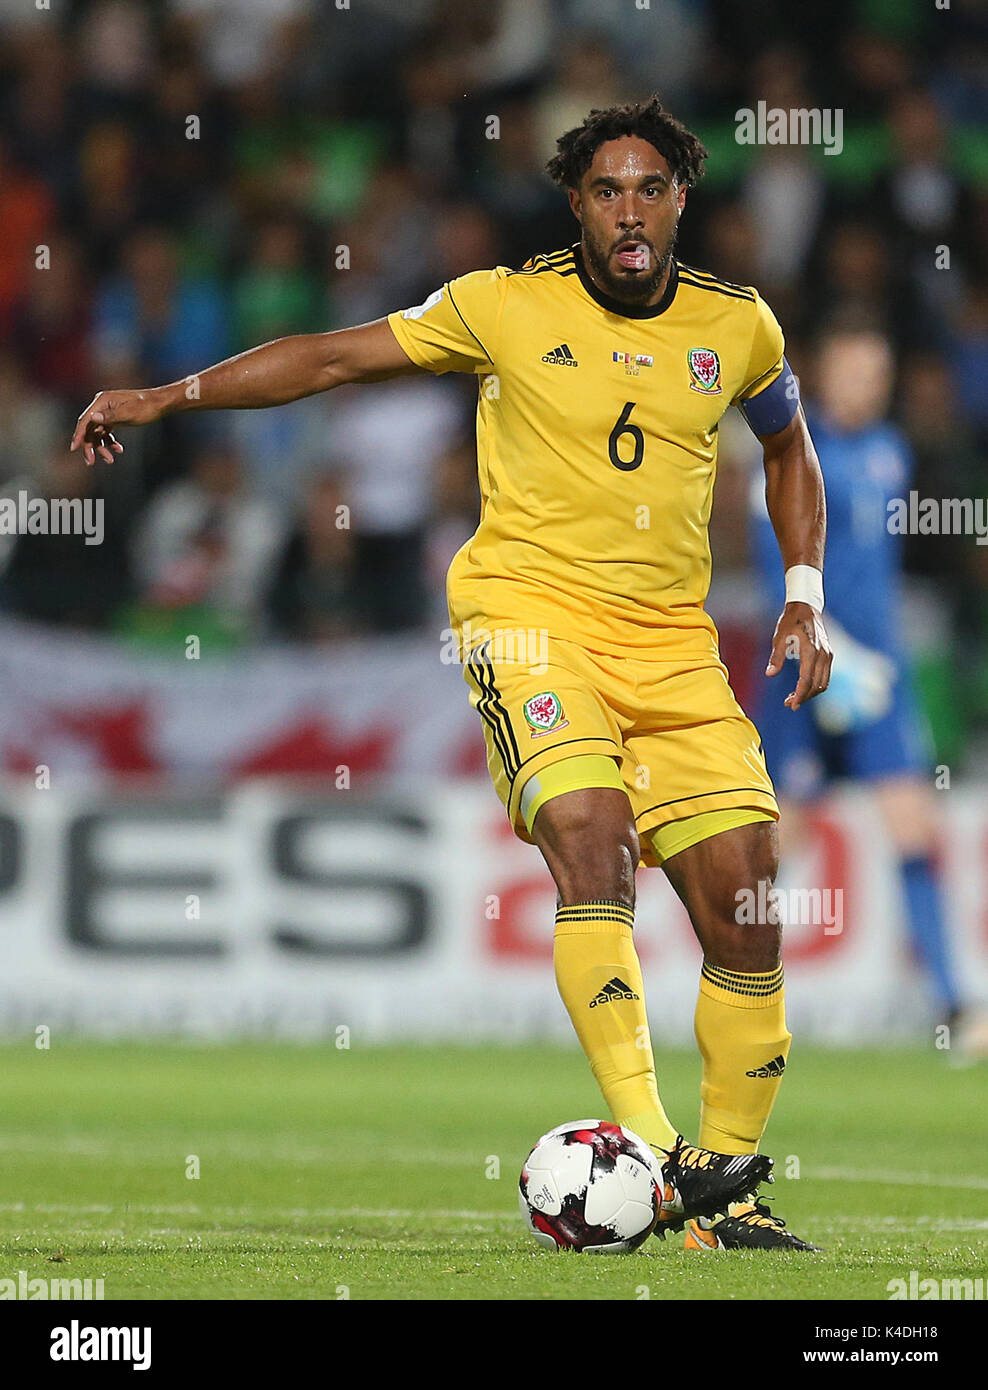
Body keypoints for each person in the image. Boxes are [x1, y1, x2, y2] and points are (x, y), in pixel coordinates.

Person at [72, 96, 832, 1251]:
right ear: (575, 204)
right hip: (526, 617)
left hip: (672, 644)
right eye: (605, 190)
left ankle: (726, 1178)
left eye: (649, 189)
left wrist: (802, 589)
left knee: (746, 901)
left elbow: (787, 441)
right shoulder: (501, 304)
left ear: (681, 198)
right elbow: (330, 356)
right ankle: (649, 1160)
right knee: (592, 835)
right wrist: (165, 395)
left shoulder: (739, 327)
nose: (628, 211)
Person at [751, 323, 988, 1058]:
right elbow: (773, 567)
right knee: (773, 846)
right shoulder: (790, 452)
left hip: (879, 682)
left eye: (876, 375)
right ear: (824, 375)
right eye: (854, 372)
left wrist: (873, 654)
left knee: (915, 827)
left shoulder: (892, 450)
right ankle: (736, 991)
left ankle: (953, 1004)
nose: (867, 387)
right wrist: (834, 649)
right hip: (808, 673)